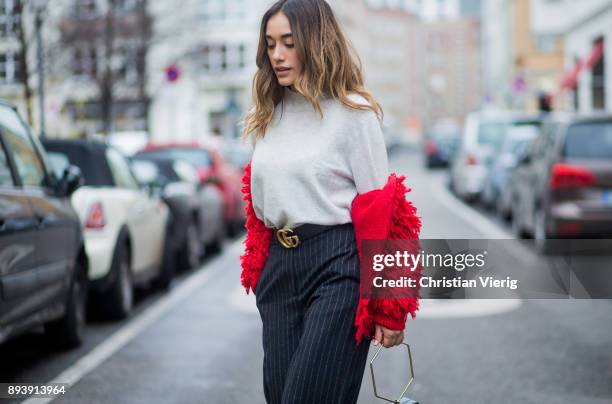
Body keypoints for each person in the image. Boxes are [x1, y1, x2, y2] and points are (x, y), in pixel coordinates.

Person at [240, 1, 421, 403]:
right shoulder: (269, 112)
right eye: (270, 44)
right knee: (281, 395)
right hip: (279, 271)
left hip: (337, 266)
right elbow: (262, 204)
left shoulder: (354, 113)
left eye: (289, 42)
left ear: (315, 42)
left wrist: (390, 305)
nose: (277, 54)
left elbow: (388, 214)